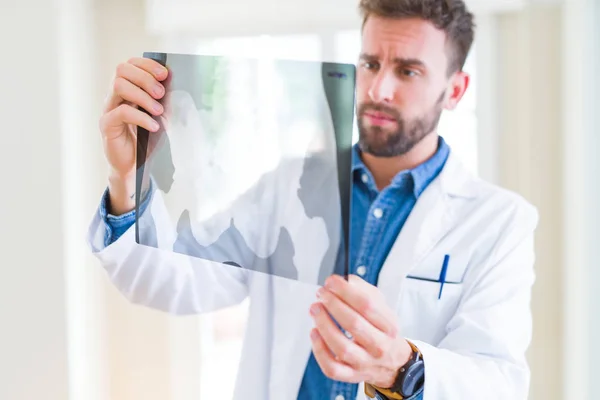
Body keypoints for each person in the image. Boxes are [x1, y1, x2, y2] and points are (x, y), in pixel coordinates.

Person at [90, 0, 538, 399]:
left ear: (455, 90)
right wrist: (126, 175)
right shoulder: (290, 185)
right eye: (370, 63)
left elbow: (498, 381)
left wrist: (402, 367)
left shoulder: (499, 223)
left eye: (408, 70)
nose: (379, 90)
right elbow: (172, 279)